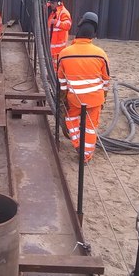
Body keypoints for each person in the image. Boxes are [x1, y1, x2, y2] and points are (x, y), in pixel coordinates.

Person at [57, 12, 110, 163]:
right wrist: (103, 97)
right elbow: (106, 80)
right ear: (93, 34)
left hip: (75, 99)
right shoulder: (101, 54)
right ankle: (85, 156)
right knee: (90, 127)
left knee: (71, 120)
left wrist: (63, 97)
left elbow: (61, 80)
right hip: (95, 100)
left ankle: (78, 144)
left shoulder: (65, 54)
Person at [47, 0, 72, 71]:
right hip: (53, 43)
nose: (51, 5)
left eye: (52, 3)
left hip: (59, 45)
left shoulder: (64, 13)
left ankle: (56, 77)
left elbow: (67, 25)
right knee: (52, 61)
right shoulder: (54, 11)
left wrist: (57, 22)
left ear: (58, 3)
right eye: (50, 3)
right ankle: (52, 74)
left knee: (57, 62)